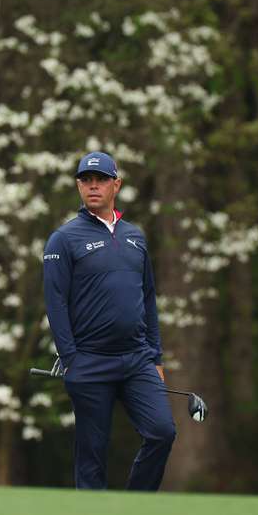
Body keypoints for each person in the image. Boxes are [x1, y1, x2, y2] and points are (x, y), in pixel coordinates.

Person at [42, 151, 175, 490]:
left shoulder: (136, 237)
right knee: (92, 455)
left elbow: (148, 298)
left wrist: (156, 356)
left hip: (137, 359)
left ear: (116, 184)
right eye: (86, 180)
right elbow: (55, 303)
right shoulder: (64, 239)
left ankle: (132, 510)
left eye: (101, 180)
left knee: (162, 432)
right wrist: (71, 358)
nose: (93, 186)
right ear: (78, 186)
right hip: (89, 359)